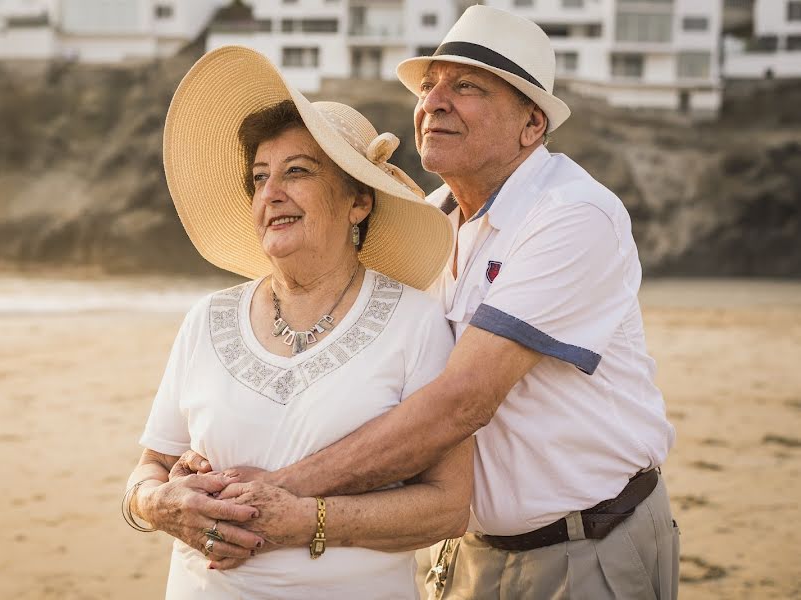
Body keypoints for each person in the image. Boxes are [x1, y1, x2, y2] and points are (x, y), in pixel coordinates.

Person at [177, 6, 680, 599]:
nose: (434, 102)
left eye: (466, 86)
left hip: (587, 546)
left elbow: (461, 402)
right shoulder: (429, 223)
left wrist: (283, 489)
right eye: (428, 85)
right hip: (468, 551)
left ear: (531, 124)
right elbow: (354, 367)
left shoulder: (572, 215)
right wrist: (215, 455)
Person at [122, 45, 473, 599]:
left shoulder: (417, 323)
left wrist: (309, 520)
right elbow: (150, 469)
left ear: (358, 201)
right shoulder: (206, 320)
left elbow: (448, 508)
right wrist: (158, 504)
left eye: (297, 172)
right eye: (259, 177)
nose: (271, 193)